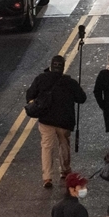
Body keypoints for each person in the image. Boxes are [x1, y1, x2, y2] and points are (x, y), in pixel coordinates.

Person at [27, 54, 87, 189]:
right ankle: (65, 170)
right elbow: (82, 98)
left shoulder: (41, 79)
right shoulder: (69, 82)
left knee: (46, 147)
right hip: (65, 121)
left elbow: (30, 95)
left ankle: (47, 177)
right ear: (63, 67)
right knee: (64, 145)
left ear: (51, 65)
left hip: (46, 120)